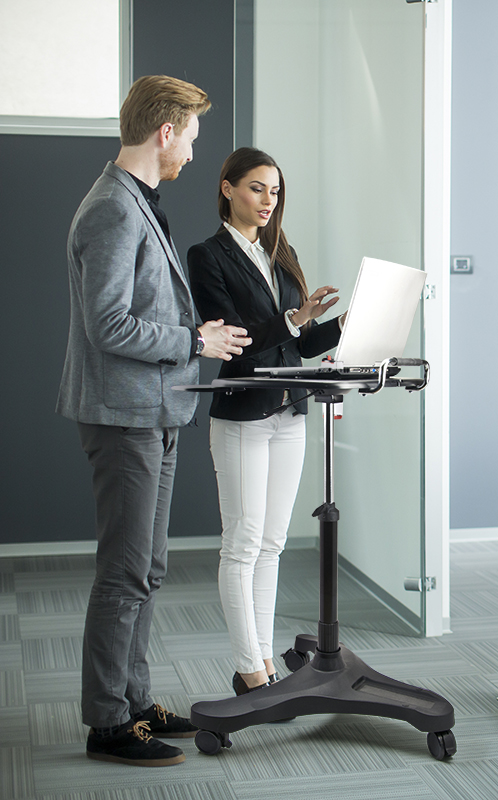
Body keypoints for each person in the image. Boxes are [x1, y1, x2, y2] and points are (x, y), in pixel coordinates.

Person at [57, 75, 251, 767]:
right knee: (124, 570)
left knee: (150, 567)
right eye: (191, 140)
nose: (194, 155)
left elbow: (139, 309)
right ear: (165, 132)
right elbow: (108, 324)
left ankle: (135, 703)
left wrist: (191, 333)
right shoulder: (111, 209)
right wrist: (194, 343)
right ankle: (108, 722)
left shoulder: (136, 201)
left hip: (156, 409)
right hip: (124, 415)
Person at [187, 147, 343, 699]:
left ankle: (264, 662)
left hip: (288, 411)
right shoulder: (207, 256)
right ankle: (248, 665)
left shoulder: (282, 252)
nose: (267, 201)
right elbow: (238, 338)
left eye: (274, 191)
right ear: (228, 189)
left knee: (273, 542)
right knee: (244, 541)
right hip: (243, 412)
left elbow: (298, 342)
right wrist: (295, 319)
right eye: (256, 188)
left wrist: (345, 323)